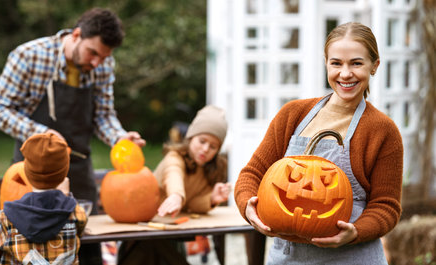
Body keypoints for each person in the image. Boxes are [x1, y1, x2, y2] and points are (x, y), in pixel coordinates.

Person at [234, 22, 404, 264]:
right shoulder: (292, 115)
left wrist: (355, 232)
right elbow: (251, 175)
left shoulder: (382, 131)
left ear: (374, 66)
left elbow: (387, 207)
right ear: (326, 63)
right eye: (336, 63)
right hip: (287, 258)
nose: (345, 74)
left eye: (356, 63)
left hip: (352, 258)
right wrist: (248, 208)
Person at [0, 8, 145, 265]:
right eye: (92, 53)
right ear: (77, 35)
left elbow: (103, 116)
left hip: (80, 174)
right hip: (32, 174)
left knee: (87, 250)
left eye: (103, 57)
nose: (96, 63)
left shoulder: (102, 66)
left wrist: (120, 139)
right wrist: (40, 135)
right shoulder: (28, 56)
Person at [118, 105, 231, 265]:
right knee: (150, 245)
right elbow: (173, 174)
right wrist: (176, 195)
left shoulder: (208, 171)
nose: (205, 149)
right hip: (146, 223)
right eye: (202, 141)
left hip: (170, 228)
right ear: (191, 137)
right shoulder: (175, 156)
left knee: (161, 245)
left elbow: (193, 204)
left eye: (213, 146)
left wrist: (211, 198)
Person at [0, 132, 87, 264]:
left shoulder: (8, 217)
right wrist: (65, 197)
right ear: (64, 175)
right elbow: (80, 230)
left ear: (27, 173)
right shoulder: (75, 213)